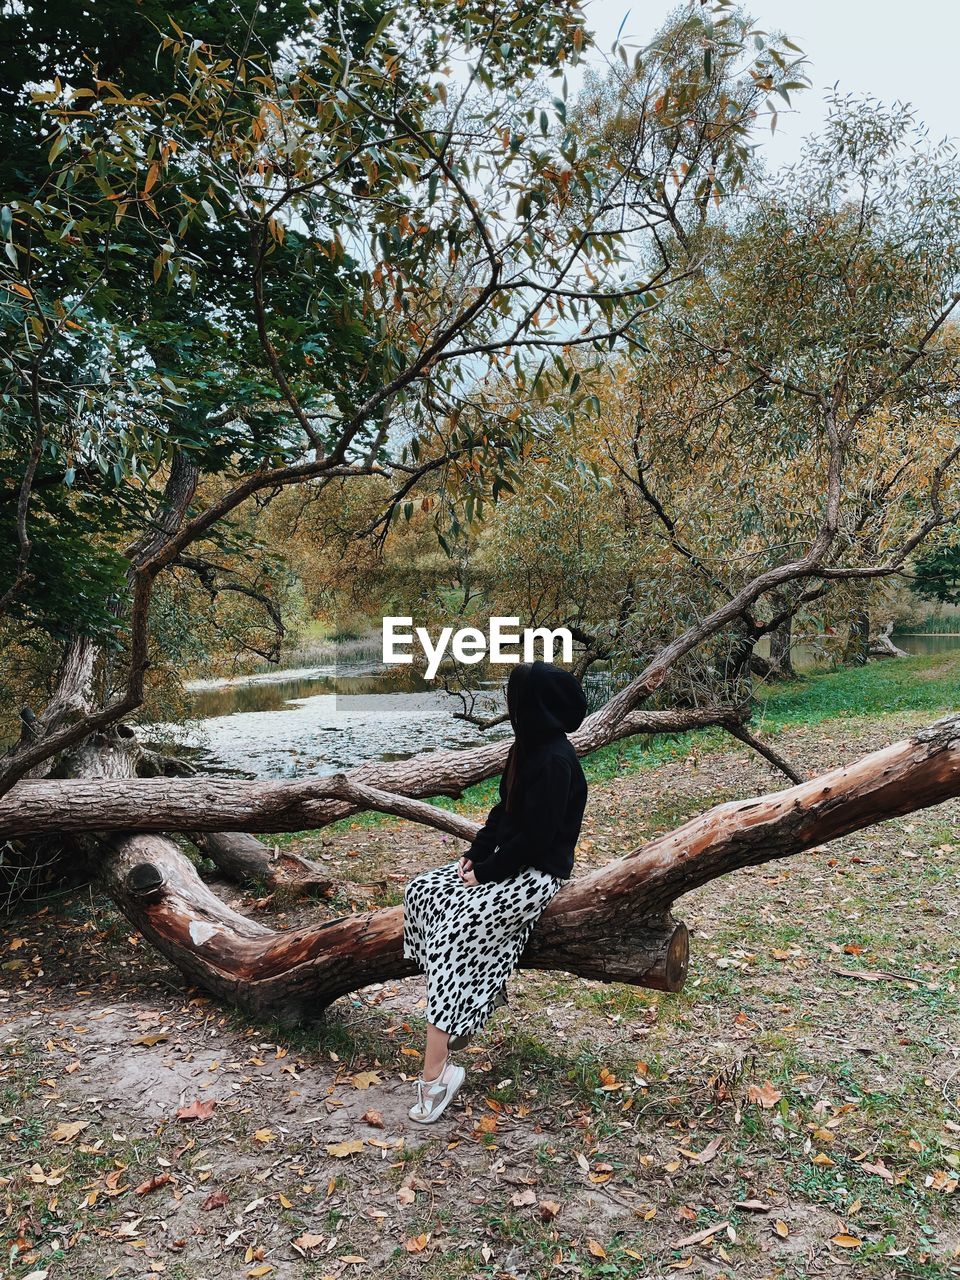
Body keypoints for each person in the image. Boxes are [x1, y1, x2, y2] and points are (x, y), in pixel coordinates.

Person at [401, 659, 589, 1124]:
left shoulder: (557, 761)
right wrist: (474, 854)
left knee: (453, 935)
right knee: (422, 891)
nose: (510, 706)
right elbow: (503, 814)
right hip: (506, 861)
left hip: (536, 875)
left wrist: (485, 873)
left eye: (515, 698)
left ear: (532, 705)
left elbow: (535, 842)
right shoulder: (525, 748)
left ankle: (436, 1077)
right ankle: (468, 1003)